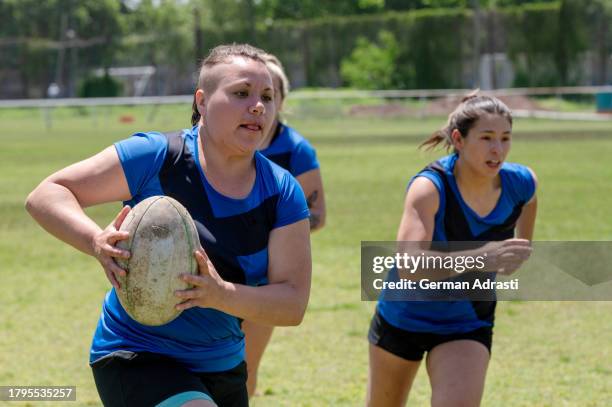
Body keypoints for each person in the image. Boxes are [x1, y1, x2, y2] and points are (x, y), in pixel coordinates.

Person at [25, 43, 312, 407]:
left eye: (268, 97)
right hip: (137, 354)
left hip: (223, 364)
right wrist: (96, 240)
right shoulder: (157, 157)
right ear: (202, 101)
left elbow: (292, 304)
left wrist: (219, 294)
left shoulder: (282, 191)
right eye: (241, 93)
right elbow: (47, 194)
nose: (258, 106)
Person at [366, 93, 538, 407]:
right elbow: (410, 266)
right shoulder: (429, 188)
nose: (497, 149)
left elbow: (530, 199)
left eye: (505, 138)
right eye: (486, 138)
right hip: (405, 317)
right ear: (458, 139)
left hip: (466, 321)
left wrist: (521, 248)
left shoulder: (521, 183)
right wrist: (487, 256)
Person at [242, 53, 326, 398]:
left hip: (266, 276)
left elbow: (318, 215)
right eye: (248, 93)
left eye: (269, 94)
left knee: (242, 369)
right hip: (219, 263)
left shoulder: (296, 150)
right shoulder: (221, 142)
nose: (258, 103)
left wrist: (279, 224)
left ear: (280, 100)